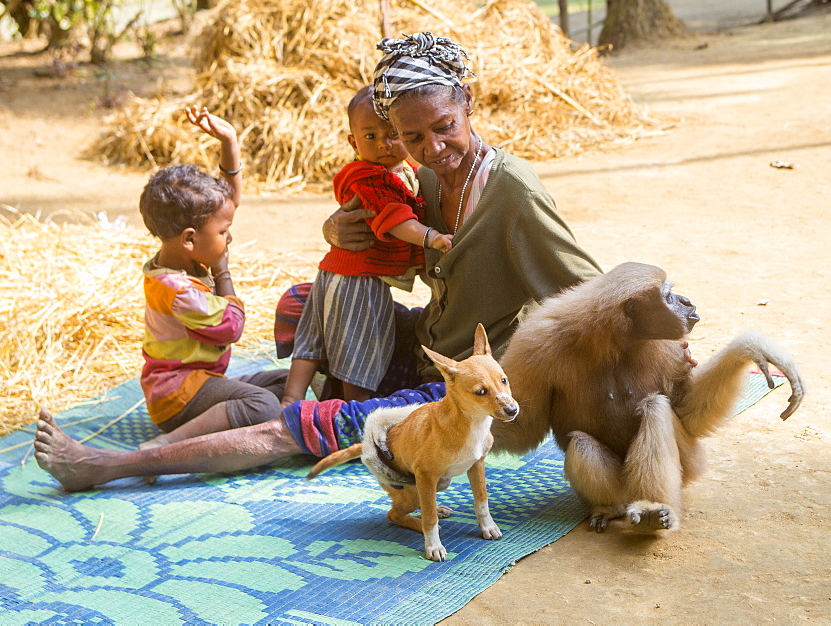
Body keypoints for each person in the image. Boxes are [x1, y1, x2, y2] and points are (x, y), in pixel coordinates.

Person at [34, 33, 602, 491]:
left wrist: (654, 349)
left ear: (468, 105)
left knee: (303, 423)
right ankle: (291, 400)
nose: (430, 147)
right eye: (411, 136)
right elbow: (391, 259)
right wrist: (335, 229)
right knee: (301, 303)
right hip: (430, 344)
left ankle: (114, 467)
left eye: (444, 127)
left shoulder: (512, 191)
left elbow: (590, 290)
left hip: (463, 386)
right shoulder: (426, 179)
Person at [281, 85, 451, 407]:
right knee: (358, 344)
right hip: (359, 276)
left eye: (393, 134)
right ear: (353, 142)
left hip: (339, 270)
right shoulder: (368, 177)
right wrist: (430, 237)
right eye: (370, 137)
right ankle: (352, 410)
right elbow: (394, 216)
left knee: (314, 335)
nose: (384, 145)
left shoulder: (407, 172)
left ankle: (291, 399)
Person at [135, 106, 287, 451]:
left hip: (202, 383)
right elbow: (232, 327)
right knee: (262, 405)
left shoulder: (182, 259)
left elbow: (227, 202)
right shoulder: (177, 290)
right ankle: (168, 443)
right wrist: (223, 271)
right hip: (177, 399)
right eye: (224, 231)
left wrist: (229, 141)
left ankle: (229, 421)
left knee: (287, 381)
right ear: (190, 239)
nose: (229, 238)